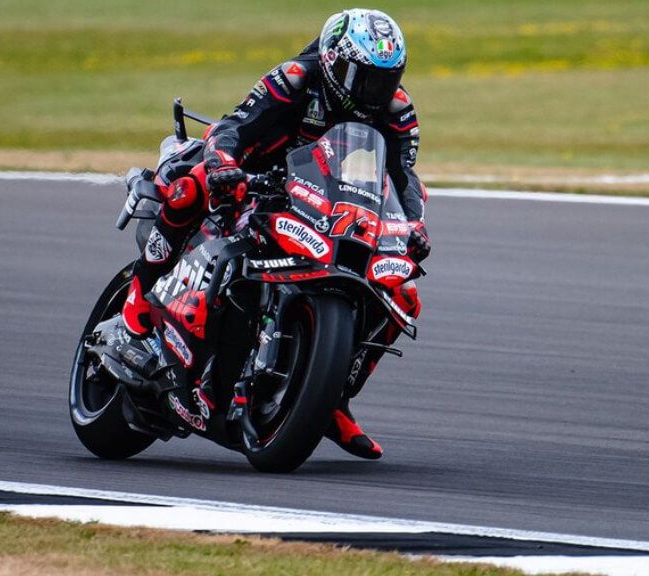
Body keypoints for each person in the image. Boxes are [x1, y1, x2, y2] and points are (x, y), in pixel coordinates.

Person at [122, 8, 430, 460]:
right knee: (192, 188)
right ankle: (136, 304)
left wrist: (414, 224)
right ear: (331, 62)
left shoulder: (399, 112)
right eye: (360, 77)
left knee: (402, 294)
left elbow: (404, 177)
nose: (372, 92)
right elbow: (232, 127)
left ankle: (331, 399)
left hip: (328, 203)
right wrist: (225, 165)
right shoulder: (293, 79)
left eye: (383, 80)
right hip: (253, 180)